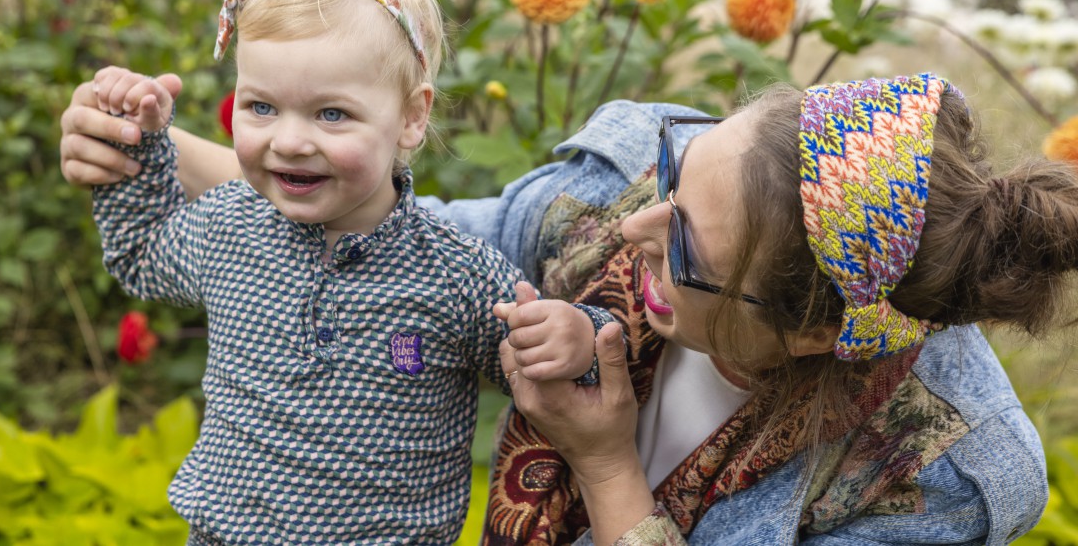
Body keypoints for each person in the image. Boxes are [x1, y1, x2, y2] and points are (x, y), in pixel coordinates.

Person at [62, 64, 1062, 539]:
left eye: (680, 250)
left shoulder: (940, 477)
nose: (632, 231)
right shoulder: (620, 183)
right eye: (677, 174)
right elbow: (399, 236)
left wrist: (603, 461)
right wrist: (143, 150)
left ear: (807, 331)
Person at [82, 0, 613, 545]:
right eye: (260, 106)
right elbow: (142, 255)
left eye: (331, 114)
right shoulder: (227, 225)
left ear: (411, 117)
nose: (289, 141)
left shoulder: (454, 273)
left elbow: (541, 367)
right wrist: (139, 146)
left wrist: (577, 338)